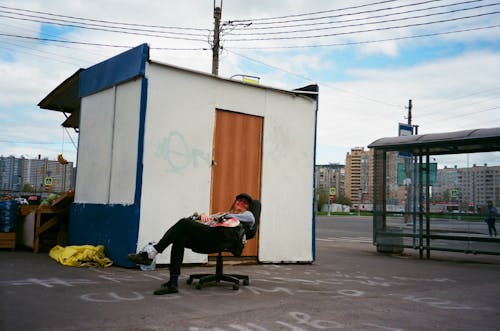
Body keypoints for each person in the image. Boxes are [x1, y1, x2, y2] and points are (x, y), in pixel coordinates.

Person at [127, 193, 255, 295]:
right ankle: (173, 283)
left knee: (183, 223)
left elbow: (251, 219)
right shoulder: (221, 214)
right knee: (179, 238)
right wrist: (204, 216)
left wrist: (224, 215)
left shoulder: (246, 215)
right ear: (234, 202)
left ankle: (152, 252)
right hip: (209, 236)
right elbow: (209, 220)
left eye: (245, 203)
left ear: (248, 207)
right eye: (239, 201)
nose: (241, 203)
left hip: (221, 239)